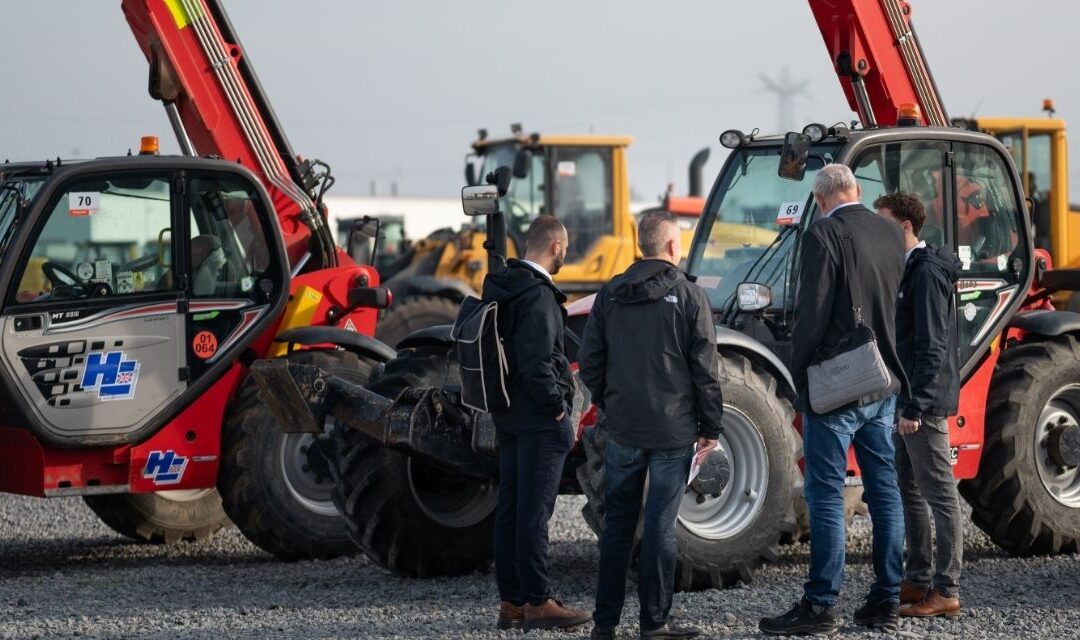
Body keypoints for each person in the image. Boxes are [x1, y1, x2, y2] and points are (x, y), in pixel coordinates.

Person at [759, 164, 907, 636]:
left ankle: (821, 604)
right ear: (857, 191)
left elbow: (812, 311)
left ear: (821, 199)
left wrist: (800, 370)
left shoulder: (824, 234)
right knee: (884, 489)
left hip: (838, 383)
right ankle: (886, 599)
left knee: (825, 492)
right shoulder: (889, 232)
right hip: (883, 379)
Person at [579, 210, 724, 640]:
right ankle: (654, 623)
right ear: (673, 247)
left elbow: (589, 363)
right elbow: (705, 370)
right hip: (673, 431)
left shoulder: (608, 295)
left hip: (623, 428)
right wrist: (710, 427)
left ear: (641, 246)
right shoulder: (689, 295)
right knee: (660, 525)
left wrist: (611, 402)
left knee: (617, 526)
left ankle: (604, 624)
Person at [481, 215, 590, 632]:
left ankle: (512, 601)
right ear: (556, 246)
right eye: (565, 248)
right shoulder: (538, 295)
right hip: (540, 417)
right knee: (534, 512)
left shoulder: (503, 284)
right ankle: (539, 601)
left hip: (507, 411)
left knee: (511, 508)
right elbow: (538, 362)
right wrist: (560, 410)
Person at [875, 192, 964, 618]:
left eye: (884, 222)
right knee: (909, 489)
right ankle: (919, 578)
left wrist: (914, 407)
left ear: (905, 226)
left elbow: (931, 346)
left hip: (921, 404)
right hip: (907, 397)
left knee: (940, 495)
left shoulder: (926, 273)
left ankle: (946, 590)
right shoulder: (908, 268)